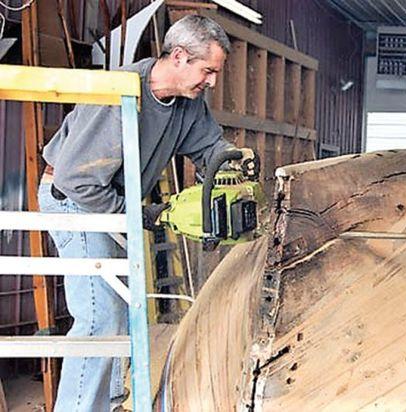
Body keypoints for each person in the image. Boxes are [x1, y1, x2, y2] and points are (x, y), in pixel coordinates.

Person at [37, 14, 258, 411]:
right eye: (208, 71)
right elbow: (76, 180)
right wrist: (134, 214)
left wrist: (233, 166)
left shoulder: (188, 104)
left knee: (119, 310)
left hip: (111, 202)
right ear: (178, 57)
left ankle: (106, 403)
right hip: (75, 200)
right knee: (98, 316)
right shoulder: (120, 93)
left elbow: (209, 147)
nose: (211, 81)